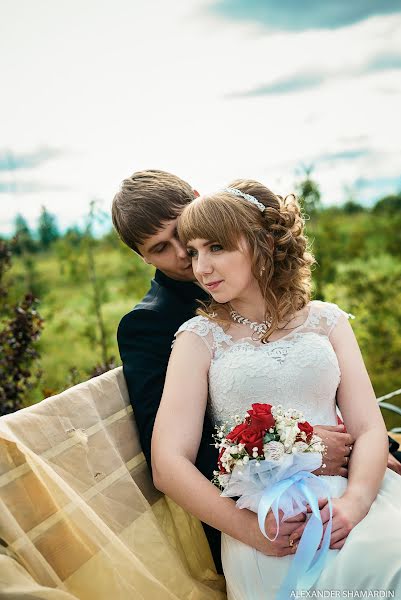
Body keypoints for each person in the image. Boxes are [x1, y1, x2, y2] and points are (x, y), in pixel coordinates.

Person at [151, 180, 401, 598]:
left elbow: (371, 428)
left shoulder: (327, 322)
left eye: (216, 248)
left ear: (263, 242)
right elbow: (167, 463)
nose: (200, 268)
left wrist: (355, 503)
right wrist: (252, 531)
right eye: (194, 252)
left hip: (356, 495)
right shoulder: (198, 339)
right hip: (269, 521)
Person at [112, 170, 364, 575]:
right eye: (162, 248)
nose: (186, 257)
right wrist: (296, 450)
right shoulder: (155, 325)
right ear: (143, 257)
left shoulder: (279, 290)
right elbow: (175, 452)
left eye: (188, 234)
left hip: (342, 469)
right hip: (255, 502)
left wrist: (363, 451)